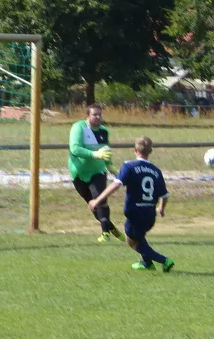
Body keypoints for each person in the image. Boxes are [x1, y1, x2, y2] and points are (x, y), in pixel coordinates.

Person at [88, 136, 175, 272]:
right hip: (150, 214)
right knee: (138, 236)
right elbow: (165, 195)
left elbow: (116, 185)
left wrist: (97, 200)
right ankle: (147, 264)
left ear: (134, 149)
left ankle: (164, 260)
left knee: (131, 240)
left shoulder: (129, 166)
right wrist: (161, 209)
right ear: (150, 151)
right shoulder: (156, 170)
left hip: (135, 212)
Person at [68, 104, 124, 243]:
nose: (98, 117)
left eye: (100, 114)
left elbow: (105, 150)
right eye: (95, 114)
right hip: (78, 173)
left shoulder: (104, 131)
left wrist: (110, 166)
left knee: (100, 199)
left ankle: (105, 233)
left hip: (98, 171)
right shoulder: (79, 127)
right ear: (87, 116)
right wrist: (94, 154)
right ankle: (111, 228)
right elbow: (75, 149)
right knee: (92, 204)